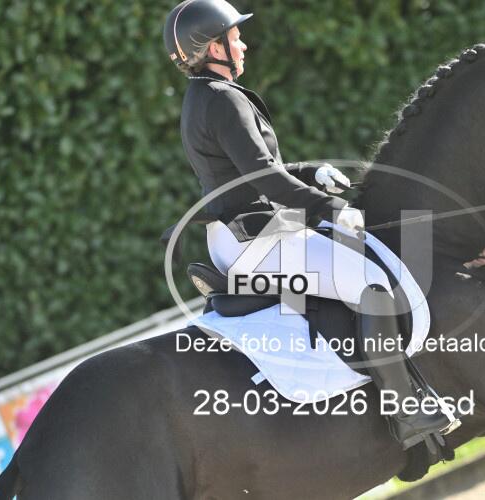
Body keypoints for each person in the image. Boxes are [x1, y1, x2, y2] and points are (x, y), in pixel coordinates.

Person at [163, 0, 452, 449]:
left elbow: (248, 170)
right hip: (259, 238)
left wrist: (312, 172)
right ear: (213, 48)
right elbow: (263, 177)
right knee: (371, 284)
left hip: (237, 235)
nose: (243, 44)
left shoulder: (202, 97)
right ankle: (407, 411)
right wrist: (329, 208)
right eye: (235, 37)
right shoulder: (222, 99)